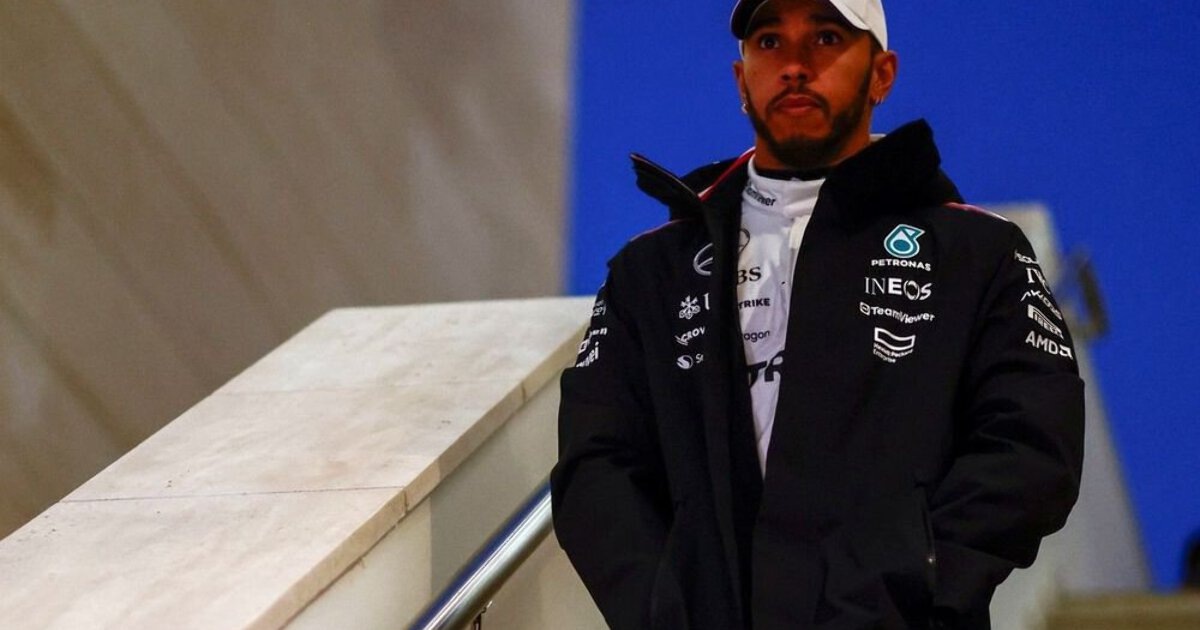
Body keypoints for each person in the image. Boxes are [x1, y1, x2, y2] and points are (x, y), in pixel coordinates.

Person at [550, 1, 1085, 628]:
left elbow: (1031, 447)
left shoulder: (977, 253)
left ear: (882, 74)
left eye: (826, 38)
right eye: (769, 41)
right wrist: (666, 610)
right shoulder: (650, 271)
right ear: (741, 78)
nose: (795, 65)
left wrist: (916, 585)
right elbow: (596, 466)